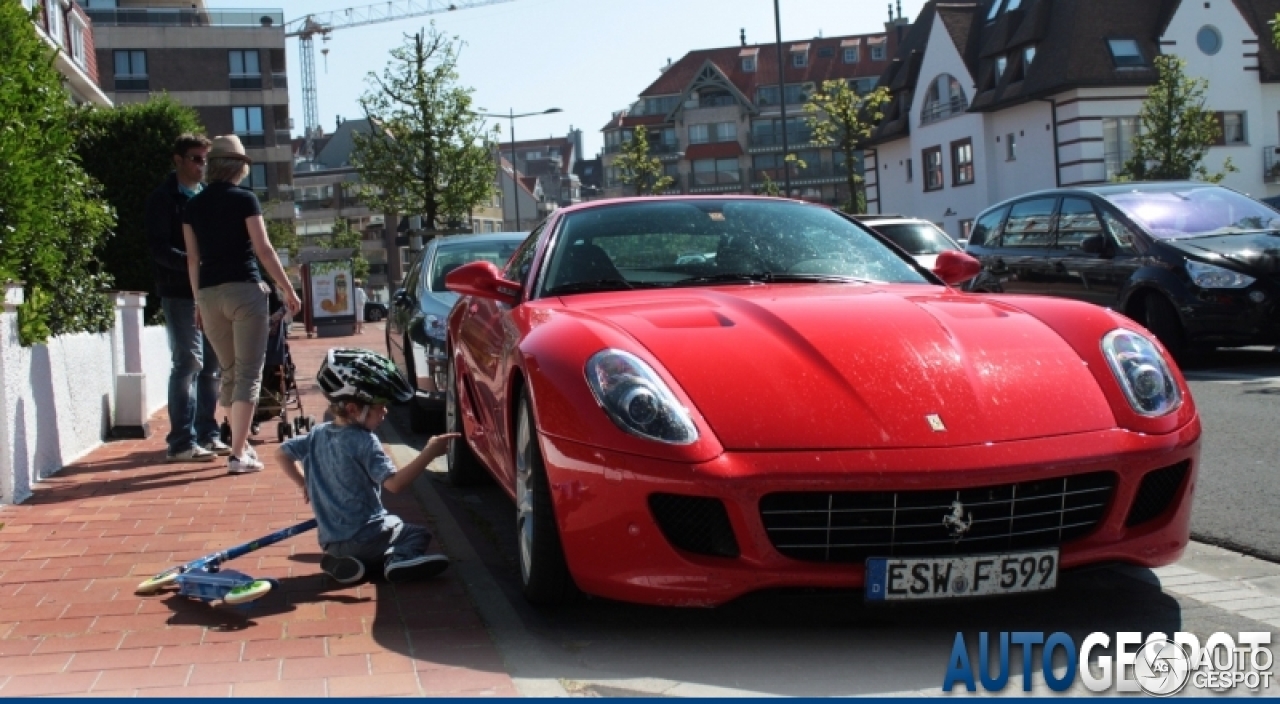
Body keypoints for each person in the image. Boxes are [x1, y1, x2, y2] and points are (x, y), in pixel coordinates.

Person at [274, 348, 454, 584]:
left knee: (381, 534)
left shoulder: (317, 433)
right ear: (353, 409)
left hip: (331, 541)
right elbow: (395, 485)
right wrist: (429, 453)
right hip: (367, 536)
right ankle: (397, 560)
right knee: (415, 534)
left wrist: (304, 483)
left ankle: (347, 562)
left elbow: (280, 454)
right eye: (379, 406)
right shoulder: (364, 441)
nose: (385, 411)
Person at [183, 135, 301, 474]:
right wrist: (287, 288)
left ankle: (240, 444)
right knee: (249, 373)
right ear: (240, 167)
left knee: (230, 372)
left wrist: (197, 303)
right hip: (245, 291)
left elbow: (193, 259)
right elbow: (263, 249)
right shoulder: (245, 199)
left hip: (208, 294)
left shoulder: (193, 205)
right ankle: (237, 456)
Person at [145, 133, 228, 463]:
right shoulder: (163, 199)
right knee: (188, 362)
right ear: (177, 160)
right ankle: (180, 441)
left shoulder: (207, 196)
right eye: (195, 159)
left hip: (210, 292)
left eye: (205, 160)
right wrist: (193, 263)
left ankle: (207, 435)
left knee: (212, 365)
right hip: (180, 293)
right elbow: (158, 249)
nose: (201, 166)